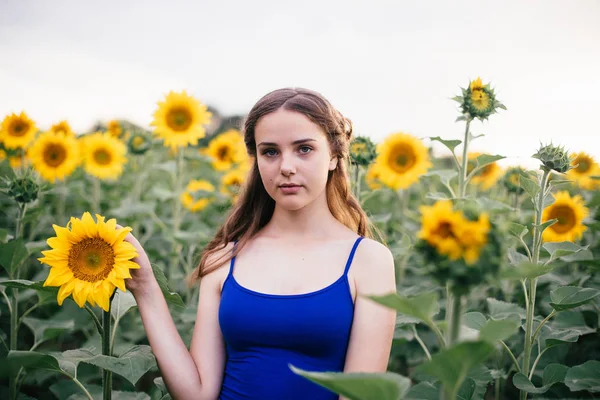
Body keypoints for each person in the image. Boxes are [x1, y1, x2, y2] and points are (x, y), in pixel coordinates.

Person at [122, 88, 397, 400]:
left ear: (334, 155)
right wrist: (146, 290)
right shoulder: (226, 257)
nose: (286, 167)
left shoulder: (369, 261)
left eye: (304, 149)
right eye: (270, 152)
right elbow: (197, 394)